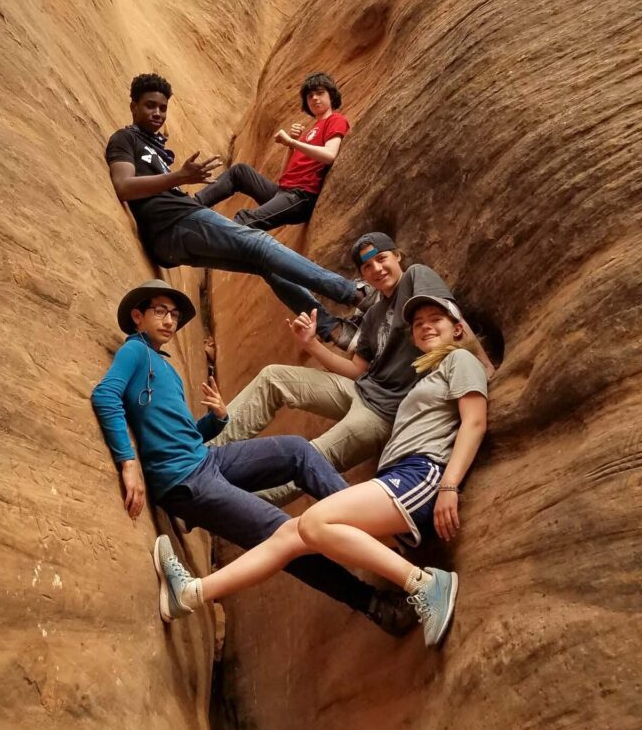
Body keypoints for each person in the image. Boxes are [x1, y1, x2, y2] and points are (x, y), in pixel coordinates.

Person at [154, 294, 489, 648]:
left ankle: (425, 585)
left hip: (418, 477)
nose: (424, 326)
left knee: (313, 522)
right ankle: (189, 594)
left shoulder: (460, 360)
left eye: (435, 319)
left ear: (458, 329)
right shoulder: (427, 374)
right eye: (418, 323)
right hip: (394, 486)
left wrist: (449, 486)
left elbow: (475, 422)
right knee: (288, 535)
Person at [90, 279, 415, 636]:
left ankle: (373, 525)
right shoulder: (135, 352)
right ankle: (373, 604)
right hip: (184, 479)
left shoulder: (164, 365)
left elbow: (180, 435)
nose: (169, 320)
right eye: (160, 312)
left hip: (205, 460)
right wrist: (128, 463)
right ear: (138, 316)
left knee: (297, 451)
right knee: (286, 534)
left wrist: (216, 420)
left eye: (174, 314)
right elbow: (106, 396)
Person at [104, 73, 370, 343]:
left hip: (172, 240)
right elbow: (123, 186)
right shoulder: (125, 139)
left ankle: (335, 330)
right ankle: (354, 293)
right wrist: (179, 177)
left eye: (163, 108)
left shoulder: (154, 147)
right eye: (150, 106)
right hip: (177, 222)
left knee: (264, 265)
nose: (158, 113)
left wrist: (179, 181)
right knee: (260, 244)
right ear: (133, 106)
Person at [211, 232, 480, 480]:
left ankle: (219, 496)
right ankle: (207, 449)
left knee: (309, 458)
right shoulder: (373, 314)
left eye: (382, 258)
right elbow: (357, 370)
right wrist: (311, 344)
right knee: (274, 377)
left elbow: (451, 319)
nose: (377, 269)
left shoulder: (416, 278)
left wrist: (482, 369)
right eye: (367, 266)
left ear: (398, 256)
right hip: (361, 389)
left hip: (384, 413)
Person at [195, 73, 350, 231]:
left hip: (301, 196)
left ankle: (206, 237)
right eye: (310, 96)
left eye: (320, 93)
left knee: (245, 220)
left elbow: (330, 155)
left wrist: (292, 142)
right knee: (239, 172)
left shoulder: (336, 119)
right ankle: (192, 205)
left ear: (331, 95)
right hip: (282, 192)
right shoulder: (310, 131)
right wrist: (291, 144)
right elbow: (284, 175)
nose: (314, 98)